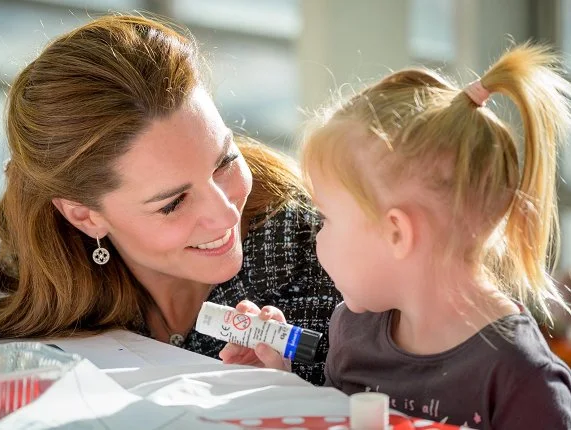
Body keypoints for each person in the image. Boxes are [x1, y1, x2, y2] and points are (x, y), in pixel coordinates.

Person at [0, 14, 341, 386]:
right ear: (84, 216)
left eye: (225, 162)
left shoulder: (332, 265)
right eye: (173, 203)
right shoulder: (26, 276)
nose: (226, 212)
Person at [222, 44, 571, 427]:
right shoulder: (352, 332)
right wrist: (279, 383)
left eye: (327, 218)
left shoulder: (521, 379)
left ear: (396, 233)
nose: (315, 237)